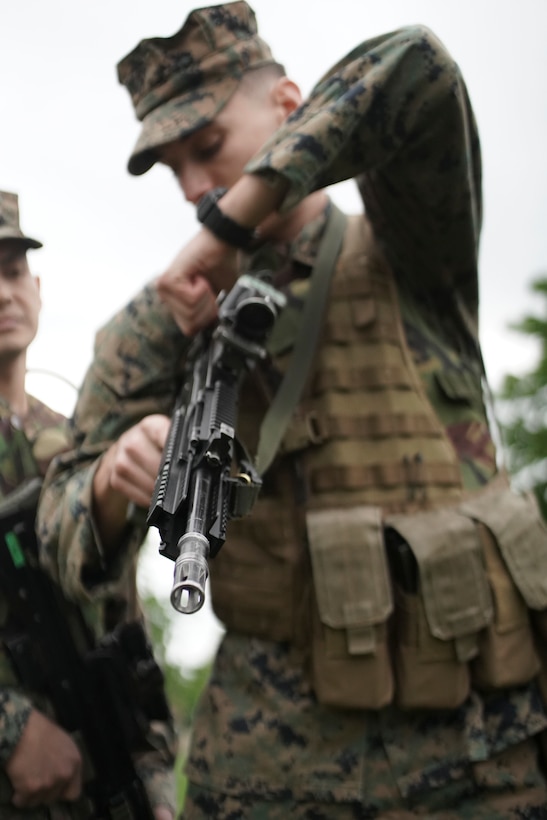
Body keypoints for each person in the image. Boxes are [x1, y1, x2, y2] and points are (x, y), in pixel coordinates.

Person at [37, 3, 547, 817]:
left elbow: (416, 66)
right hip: (271, 771)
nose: (196, 188)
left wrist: (227, 222)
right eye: (174, 172)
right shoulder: (156, 324)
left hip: (476, 756)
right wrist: (107, 483)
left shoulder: (409, 251)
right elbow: (58, 526)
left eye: (207, 149)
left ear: (289, 107)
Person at [0, 190, 176, 820]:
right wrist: (10, 725)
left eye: (13, 271)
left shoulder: (75, 445)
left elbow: (123, 620)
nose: (2, 293)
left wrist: (153, 771)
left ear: (38, 287)